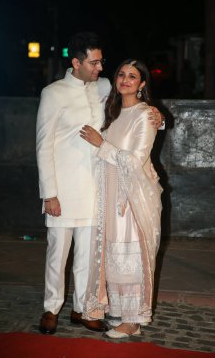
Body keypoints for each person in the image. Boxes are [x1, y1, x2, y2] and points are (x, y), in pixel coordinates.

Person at [36, 32, 163, 335]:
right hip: (63, 191)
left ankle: (83, 308)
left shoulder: (102, 87)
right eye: (94, 62)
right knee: (58, 254)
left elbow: (137, 109)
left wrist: (160, 117)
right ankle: (51, 308)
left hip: (98, 190)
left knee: (88, 258)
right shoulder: (53, 93)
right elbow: (43, 146)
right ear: (76, 62)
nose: (100, 68)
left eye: (102, 62)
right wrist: (49, 193)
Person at [80, 59, 163, 338]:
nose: (125, 79)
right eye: (122, 74)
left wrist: (101, 144)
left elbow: (135, 160)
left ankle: (133, 320)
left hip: (133, 198)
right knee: (114, 256)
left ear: (142, 85)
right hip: (111, 196)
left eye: (133, 76)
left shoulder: (145, 115)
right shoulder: (114, 113)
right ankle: (122, 314)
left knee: (132, 257)